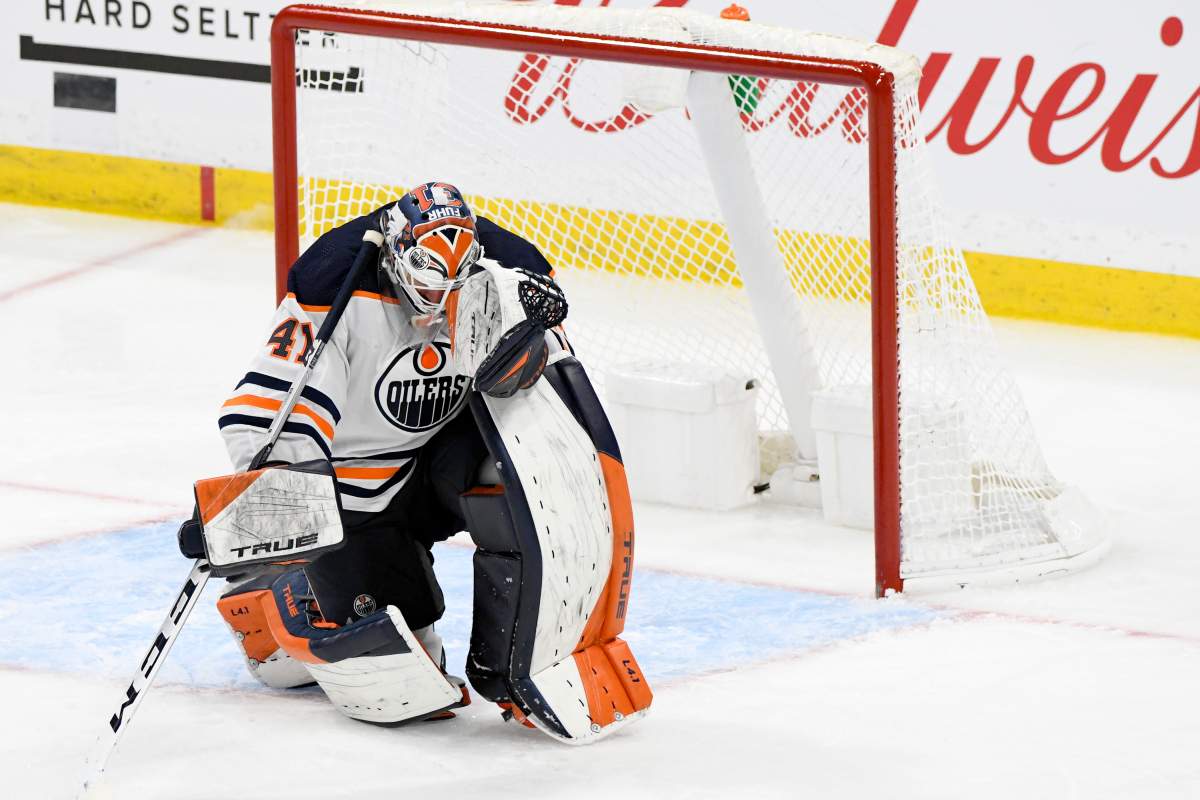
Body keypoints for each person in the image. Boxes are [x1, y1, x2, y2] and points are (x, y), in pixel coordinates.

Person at [213, 181, 568, 724]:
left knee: (514, 476)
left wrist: (535, 337)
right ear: (398, 254)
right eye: (427, 285)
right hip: (351, 491)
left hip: (429, 468)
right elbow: (266, 409)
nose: (439, 304)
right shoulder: (336, 289)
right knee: (404, 657)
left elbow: (537, 392)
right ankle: (283, 591)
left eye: (453, 287)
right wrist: (272, 505)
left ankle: (516, 668)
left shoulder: (487, 285)